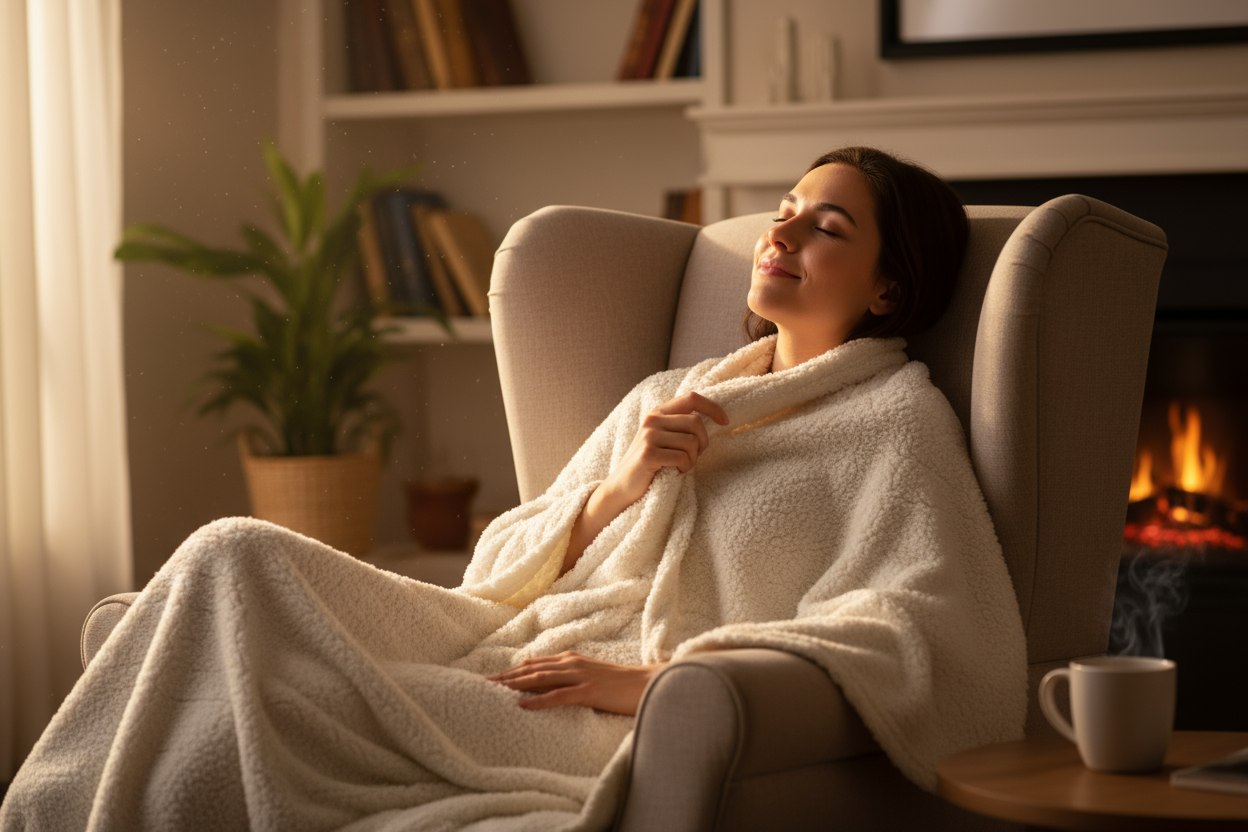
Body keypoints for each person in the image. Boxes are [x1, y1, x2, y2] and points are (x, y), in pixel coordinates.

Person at [1, 147, 1027, 832]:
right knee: (235, 550)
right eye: (786, 213)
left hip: (596, 703)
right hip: (510, 640)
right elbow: (502, 564)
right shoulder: (671, 394)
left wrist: (655, 679)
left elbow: (922, 625)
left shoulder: (894, 418)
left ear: (889, 286)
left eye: (827, 229)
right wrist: (620, 487)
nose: (783, 236)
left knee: (255, 703)